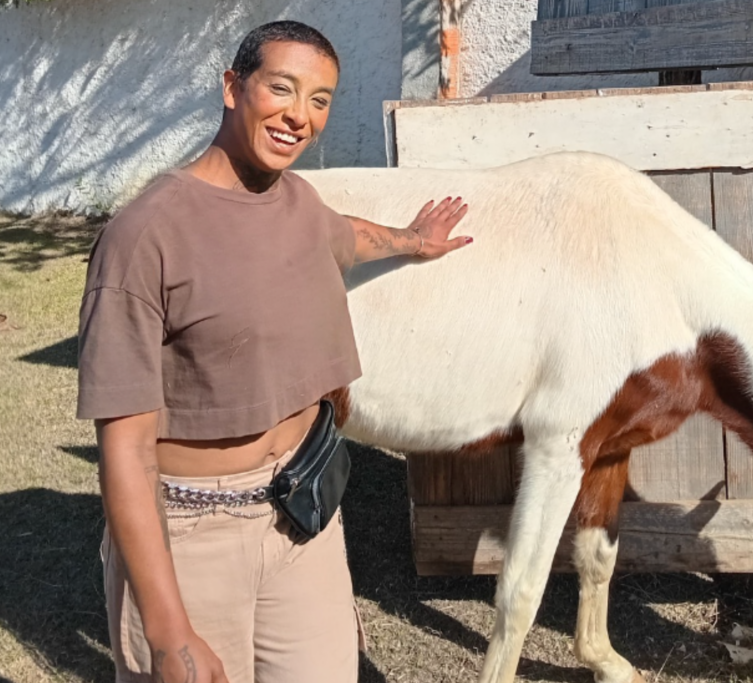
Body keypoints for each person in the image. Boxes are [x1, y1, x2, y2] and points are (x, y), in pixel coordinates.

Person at [76, 20, 469, 683]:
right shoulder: (144, 236)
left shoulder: (299, 204)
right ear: (233, 87)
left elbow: (345, 236)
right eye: (281, 89)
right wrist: (168, 633)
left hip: (301, 512)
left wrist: (411, 239)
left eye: (320, 100)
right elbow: (126, 448)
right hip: (193, 532)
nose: (299, 116)